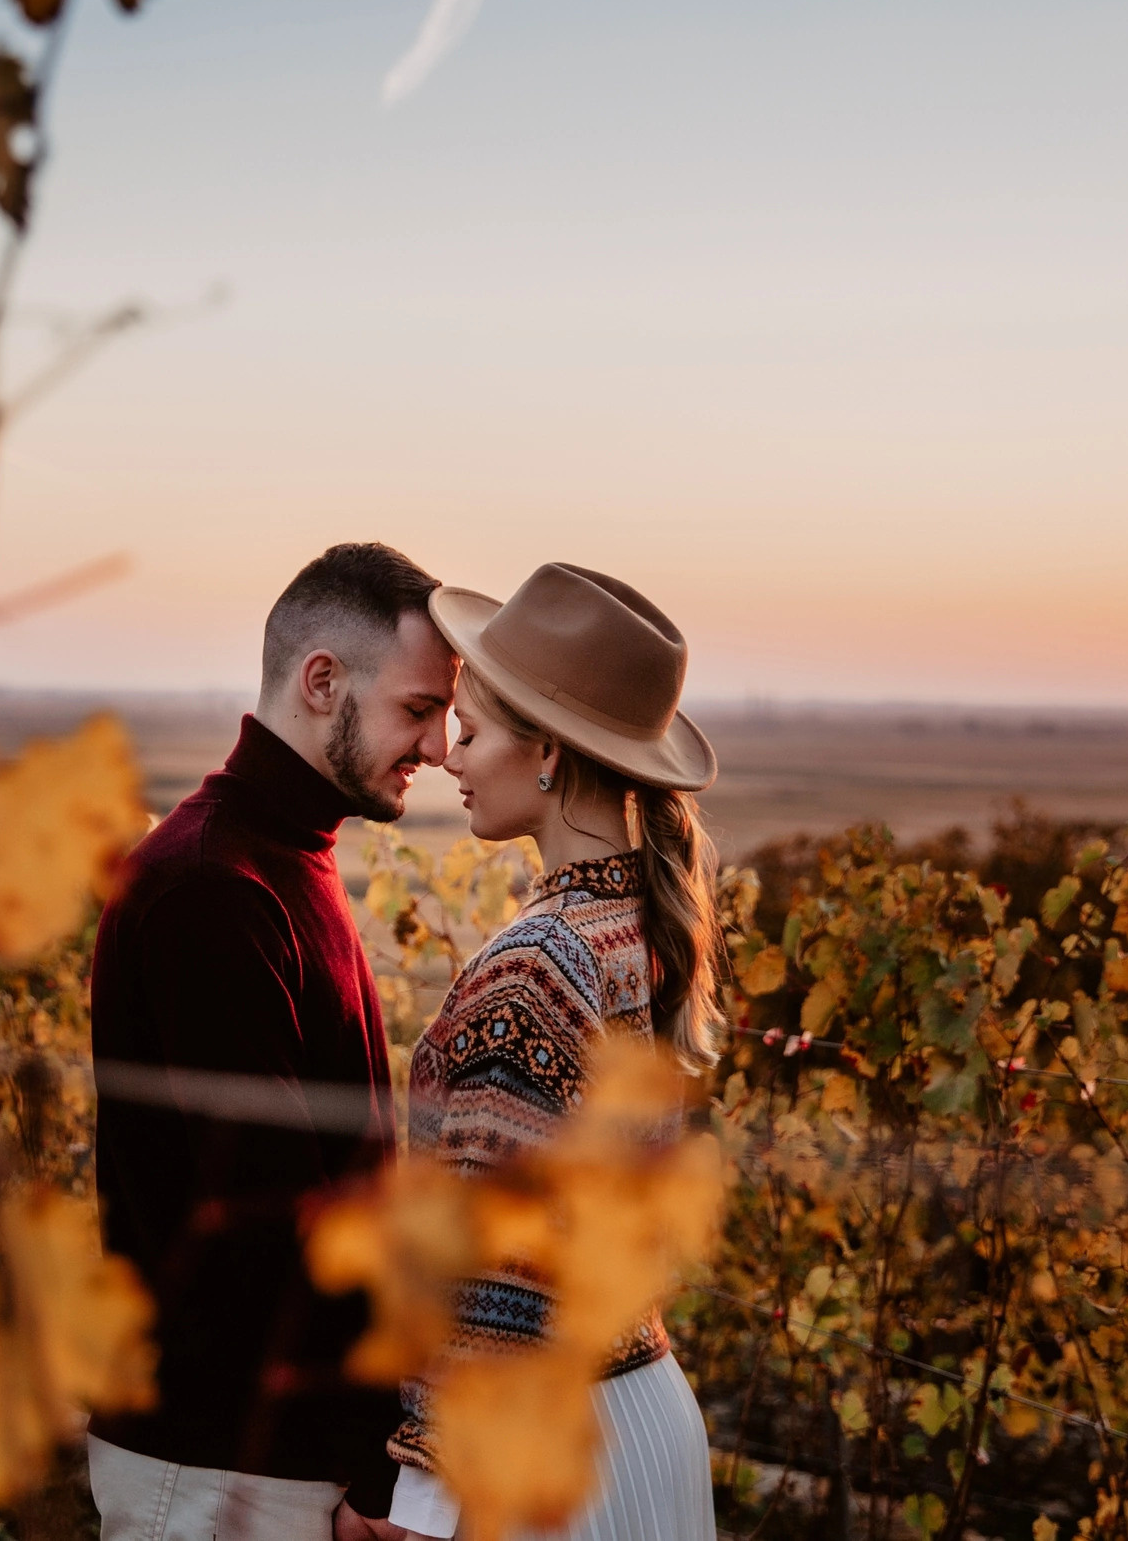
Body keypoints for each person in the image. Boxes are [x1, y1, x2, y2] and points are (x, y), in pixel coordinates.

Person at [88, 543, 453, 1541]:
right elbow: (268, 1229)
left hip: (259, 1459)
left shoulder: (285, 862)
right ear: (321, 681)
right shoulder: (212, 889)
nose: (441, 742)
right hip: (219, 1467)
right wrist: (368, 1468)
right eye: (418, 709)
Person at [385, 562, 724, 1541]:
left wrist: (423, 1498)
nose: (448, 754)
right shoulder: (646, 925)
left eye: (474, 729)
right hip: (645, 1412)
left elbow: (491, 1266)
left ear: (545, 751)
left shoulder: (537, 963)